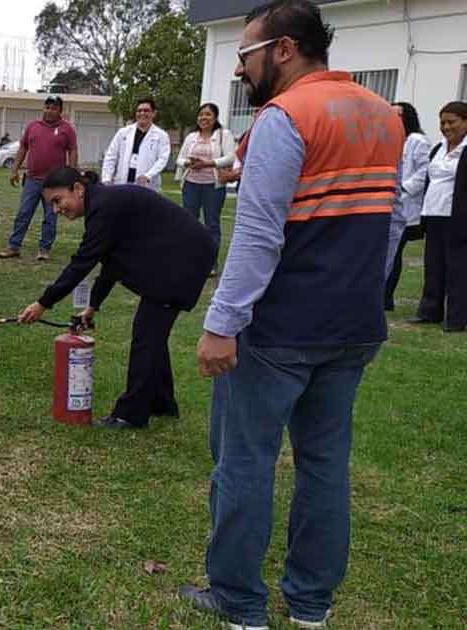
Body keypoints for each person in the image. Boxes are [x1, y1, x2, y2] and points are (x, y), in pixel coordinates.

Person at [182, 3, 404, 629]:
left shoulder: (285, 117)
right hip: (353, 327)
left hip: (280, 329)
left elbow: (257, 235)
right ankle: (311, 604)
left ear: (282, 50)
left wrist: (222, 322)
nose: (240, 68)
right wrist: (364, 290)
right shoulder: (384, 115)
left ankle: (238, 601)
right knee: (326, 465)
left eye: (246, 55)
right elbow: (391, 223)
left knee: (244, 461)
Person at [16, 167, 216, 429]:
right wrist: (93, 306)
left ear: (78, 189)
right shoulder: (103, 204)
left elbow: (83, 262)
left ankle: (130, 415)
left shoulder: (103, 207)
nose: (56, 209)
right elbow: (110, 262)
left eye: (57, 200)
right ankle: (162, 402)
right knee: (152, 334)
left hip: (183, 260)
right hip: (179, 256)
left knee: (146, 333)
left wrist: (43, 303)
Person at [0, 96, 79, 261]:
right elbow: (23, 147)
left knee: (50, 217)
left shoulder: (67, 129)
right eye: (47, 107)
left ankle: (44, 250)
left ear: (60, 111)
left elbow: (73, 151)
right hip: (32, 179)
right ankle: (13, 247)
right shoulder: (32, 126)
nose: (50, 111)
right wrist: (15, 170)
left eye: (54, 108)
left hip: (55, 183)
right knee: (23, 213)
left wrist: (71, 174)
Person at [412, 100, 467, 332]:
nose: (446, 127)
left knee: (458, 268)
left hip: (458, 217)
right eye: (442, 122)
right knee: (433, 265)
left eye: (451, 122)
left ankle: (456, 317)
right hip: (434, 213)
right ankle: (429, 311)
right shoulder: (437, 148)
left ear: (465, 122)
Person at [177, 103, 237, 274]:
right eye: (201, 114)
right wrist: (189, 163)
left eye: (208, 114)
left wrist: (207, 164)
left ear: (215, 118)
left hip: (213, 186)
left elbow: (230, 157)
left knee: (211, 224)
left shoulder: (224, 135)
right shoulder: (191, 137)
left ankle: (210, 262)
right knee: (190, 222)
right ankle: (190, 258)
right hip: (190, 185)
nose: (203, 118)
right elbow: (179, 160)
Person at [384, 102, 431, 310]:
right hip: (390, 201)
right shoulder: (392, 138)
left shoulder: (417, 141)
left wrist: (404, 187)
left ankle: (386, 297)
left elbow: (424, 171)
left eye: (397, 115)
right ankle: (384, 296)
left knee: (394, 251)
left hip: (405, 202)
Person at [101, 98, 171, 191]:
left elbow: (162, 159)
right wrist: (106, 178)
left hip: (147, 185)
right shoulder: (123, 132)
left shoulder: (161, 135)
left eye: (146, 111)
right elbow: (111, 156)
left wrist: (148, 175)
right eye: (139, 111)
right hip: (122, 183)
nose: (142, 113)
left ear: (154, 113)